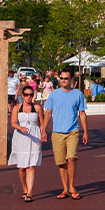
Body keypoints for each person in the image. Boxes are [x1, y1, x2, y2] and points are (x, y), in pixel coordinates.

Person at [42, 67, 89, 200]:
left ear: (71, 79)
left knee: (71, 159)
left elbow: (82, 113)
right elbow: (48, 113)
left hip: (73, 131)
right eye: (61, 78)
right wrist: (43, 130)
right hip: (57, 132)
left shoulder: (78, 94)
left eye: (65, 78)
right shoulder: (54, 94)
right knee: (61, 162)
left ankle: (72, 186)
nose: (63, 80)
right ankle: (65, 188)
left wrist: (85, 131)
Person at [9, 85, 44, 202]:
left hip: (34, 137)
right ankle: (24, 187)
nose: (28, 97)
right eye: (26, 95)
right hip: (20, 137)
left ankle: (29, 192)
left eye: (30, 95)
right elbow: (13, 123)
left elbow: (42, 123)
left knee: (31, 165)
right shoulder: (16, 108)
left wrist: (43, 134)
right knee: (21, 167)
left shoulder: (38, 108)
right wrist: (20, 127)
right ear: (22, 96)